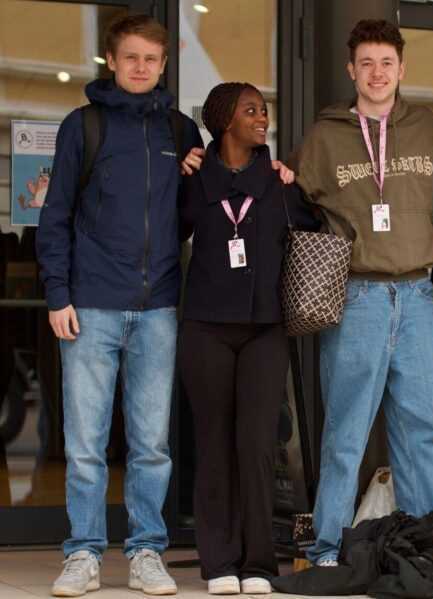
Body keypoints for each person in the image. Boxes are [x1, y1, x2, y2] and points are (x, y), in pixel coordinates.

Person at [35, 14, 202, 597]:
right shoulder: (84, 125)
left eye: (151, 59)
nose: (140, 67)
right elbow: (55, 215)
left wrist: (196, 181)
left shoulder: (181, 130)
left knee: (151, 445)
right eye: (130, 57)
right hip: (92, 305)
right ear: (111, 60)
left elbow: (190, 222)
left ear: (163, 65)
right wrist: (58, 294)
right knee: (85, 445)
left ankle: (146, 552)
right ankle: (82, 553)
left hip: (158, 307)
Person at [287, 19, 433, 566]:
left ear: (402, 69)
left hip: (418, 296)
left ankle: (427, 548)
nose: (377, 73)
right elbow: (293, 198)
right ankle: (328, 547)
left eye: (386, 63)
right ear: (350, 70)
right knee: (346, 431)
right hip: (357, 296)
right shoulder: (325, 135)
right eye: (366, 64)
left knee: (425, 431)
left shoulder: (427, 128)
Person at [177, 82, 319, 595]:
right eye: (251, 111)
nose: (262, 118)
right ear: (223, 121)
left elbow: (316, 228)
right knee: (214, 444)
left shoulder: (280, 183)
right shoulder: (195, 181)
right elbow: (167, 232)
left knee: (258, 445)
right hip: (205, 329)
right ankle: (219, 562)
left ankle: (259, 564)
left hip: (265, 330)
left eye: (264, 110)